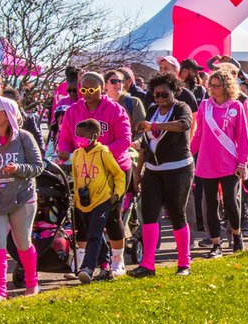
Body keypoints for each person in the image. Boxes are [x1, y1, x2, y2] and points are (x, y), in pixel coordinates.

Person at [56, 72, 133, 277]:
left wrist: (99, 154)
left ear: (102, 88)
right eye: (84, 89)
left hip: (113, 170)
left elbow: (125, 140)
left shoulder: (115, 110)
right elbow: (64, 138)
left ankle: (117, 262)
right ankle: (83, 262)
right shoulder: (73, 111)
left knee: (111, 218)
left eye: (92, 89)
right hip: (85, 174)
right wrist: (64, 151)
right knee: (83, 217)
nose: (87, 93)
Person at [0, 97, 43, 302]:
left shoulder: (24, 137)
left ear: (8, 114)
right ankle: (0, 292)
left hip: (22, 197)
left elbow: (38, 166)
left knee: (23, 242)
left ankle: (32, 283)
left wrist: (18, 169)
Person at [128, 72, 194, 277]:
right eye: (156, 95)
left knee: (176, 214)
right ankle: (148, 264)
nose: (160, 99)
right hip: (153, 171)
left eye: (164, 94)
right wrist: (138, 173)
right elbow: (145, 146)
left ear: (174, 91)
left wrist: (154, 126)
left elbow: (184, 124)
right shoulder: (152, 110)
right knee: (149, 215)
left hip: (178, 169)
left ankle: (184, 263)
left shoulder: (181, 108)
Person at [191, 67, 248, 257]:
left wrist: (242, 163)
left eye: (217, 86)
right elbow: (198, 134)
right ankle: (216, 243)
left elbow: (242, 137)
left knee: (231, 202)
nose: (213, 89)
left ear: (226, 86)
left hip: (229, 163)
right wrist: (188, 154)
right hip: (206, 163)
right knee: (210, 203)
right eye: (211, 86)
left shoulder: (236, 106)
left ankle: (237, 234)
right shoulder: (205, 106)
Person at [69, 119, 125, 284]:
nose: (79, 138)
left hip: (102, 199)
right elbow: (76, 177)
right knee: (96, 234)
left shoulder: (103, 153)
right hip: (84, 202)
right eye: (77, 135)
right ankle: (105, 266)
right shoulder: (78, 154)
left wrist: (116, 194)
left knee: (93, 234)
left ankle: (87, 268)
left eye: (83, 135)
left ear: (94, 136)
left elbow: (118, 174)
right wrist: (76, 199)